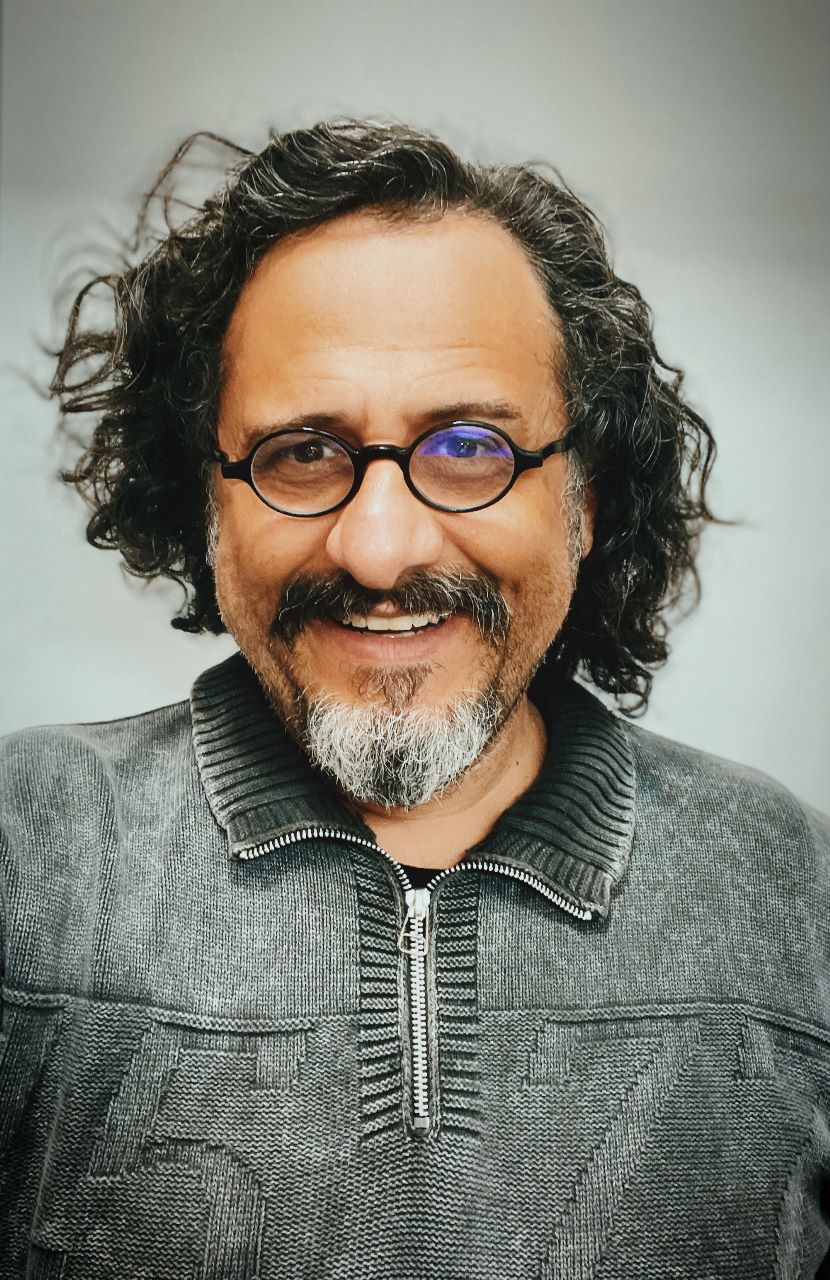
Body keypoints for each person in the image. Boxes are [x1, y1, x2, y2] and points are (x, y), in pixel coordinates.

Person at [1, 119, 827, 1279]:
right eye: (301, 452)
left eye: (468, 445)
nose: (380, 548)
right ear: (207, 503)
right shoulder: (27, 854)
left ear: (585, 500)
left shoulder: (795, 890)